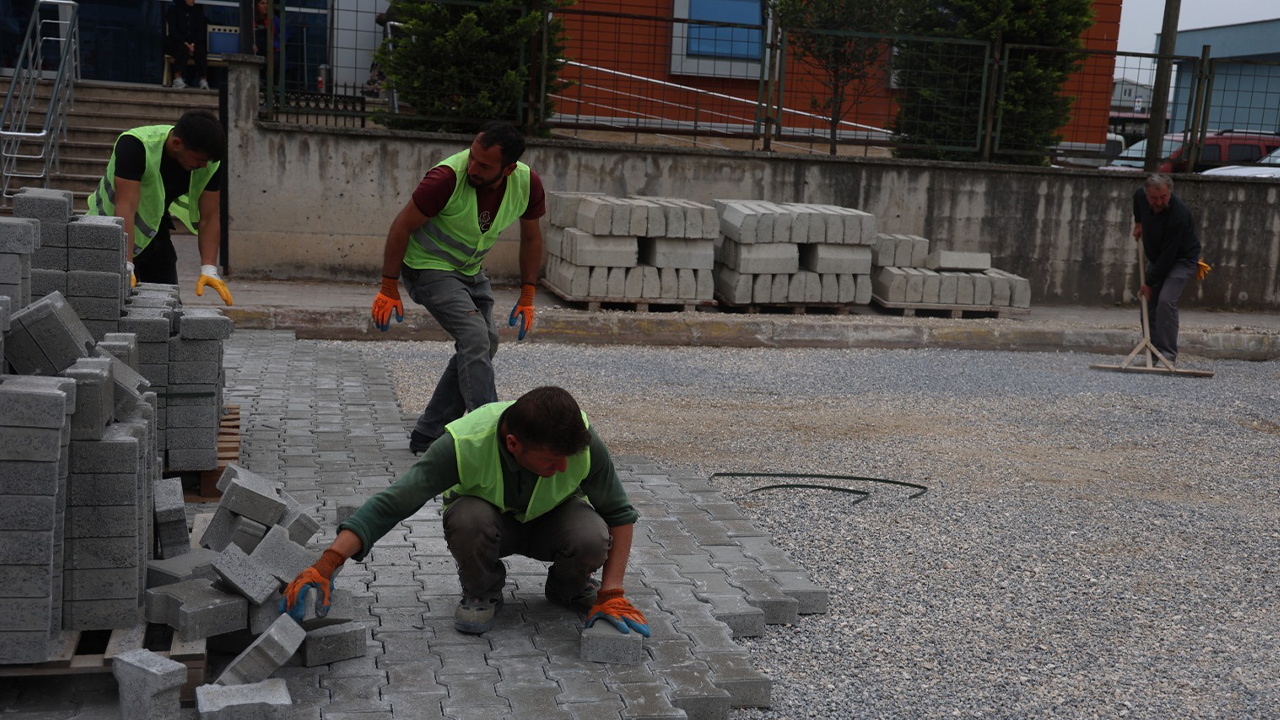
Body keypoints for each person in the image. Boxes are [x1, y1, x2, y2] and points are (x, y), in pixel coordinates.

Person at [282, 386, 649, 637]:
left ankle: (569, 590)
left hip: (552, 521)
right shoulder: (463, 442)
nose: (565, 469)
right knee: (466, 516)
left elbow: (620, 514)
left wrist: (612, 591)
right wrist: (328, 562)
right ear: (513, 443)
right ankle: (481, 591)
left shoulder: (581, 442)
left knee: (593, 535)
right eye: (551, 462)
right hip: (488, 527)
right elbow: (394, 501)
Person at [371, 120, 545, 455]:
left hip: (468, 270)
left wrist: (527, 295)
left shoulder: (527, 183)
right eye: (472, 157)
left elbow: (532, 237)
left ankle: (429, 433)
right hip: (426, 269)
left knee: (485, 342)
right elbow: (401, 226)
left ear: (509, 168)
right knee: (475, 337)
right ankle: (490, 436)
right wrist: (388, 287)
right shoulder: (446, 178)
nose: (473, 167)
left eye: (484, 165)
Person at [86, 110, 233, 305]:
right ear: (177, 144)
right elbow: (125, 208)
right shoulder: (135, 145)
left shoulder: (208, 162)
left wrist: (209, 268)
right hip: (110, 233)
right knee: (115, 309)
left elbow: (209, 217)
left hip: (154, 233)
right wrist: (126, 264)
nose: (204, 166)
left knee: (168, 309)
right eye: (199, 160)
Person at [1132, 173, 1201, 364]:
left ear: (1169, 192)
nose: (1160, 202)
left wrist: (1149, 282)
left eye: (1164, 197)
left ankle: (1167, 354)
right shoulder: (1141, 195)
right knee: (1149, 302)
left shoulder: (1179, 214)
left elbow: (1168, 256)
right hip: (1159, 257)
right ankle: (1152, 352)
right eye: (1154, 198)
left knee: (1165, 300)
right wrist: (1139, 222)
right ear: (1148, 195)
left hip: (1182, 259)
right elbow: (1137, 201)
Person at [166, 0, 209, 90]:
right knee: (182, 49)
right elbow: (173, 31)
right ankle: (177, 78)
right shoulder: (173, 10)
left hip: (194, 42)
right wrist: (186, 43)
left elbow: (201, 31)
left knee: (201, 51)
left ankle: (203, 80)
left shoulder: (197, 11)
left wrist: (193, 43)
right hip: (177, 41)